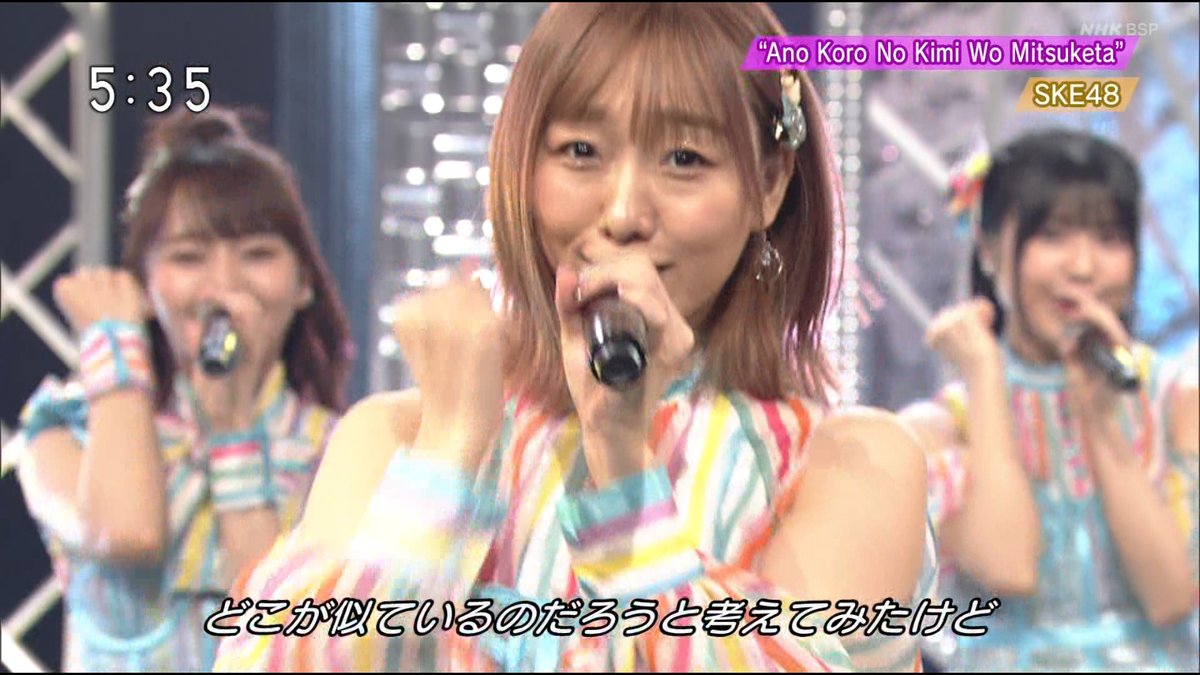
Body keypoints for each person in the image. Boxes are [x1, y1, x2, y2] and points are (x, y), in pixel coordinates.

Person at [213, 4, 937, 671]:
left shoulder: (850, 463)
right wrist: (447, 455)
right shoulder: (399, 435)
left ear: (770, 185)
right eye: (581, 150)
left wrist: (623, 471)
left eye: (685, 159)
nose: (623, 213)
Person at [14, 106, 353, 671]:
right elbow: (126, 533)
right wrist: (116, 350)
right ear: (144, 285)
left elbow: (274, 632)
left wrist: (234, 429)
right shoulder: (67, 431)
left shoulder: (346, 452)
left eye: (258, 255)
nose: (222, 286)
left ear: (303, 285)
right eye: (188, 257)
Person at [902, 128, 1199, 671]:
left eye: (1109, 238)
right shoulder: (946, 425)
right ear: (989, 249)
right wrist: (985, 376)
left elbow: (1171, 600)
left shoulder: (1177, 402)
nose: (1083, 267)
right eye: (1054, 236)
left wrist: (1102, 422)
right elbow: (1007, 566)